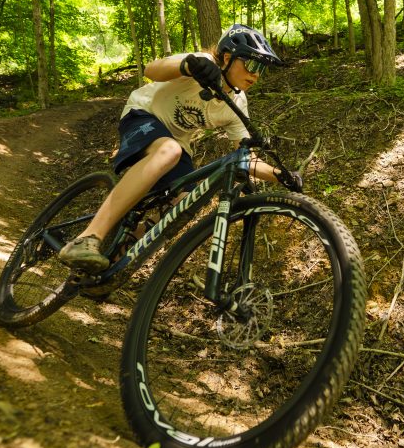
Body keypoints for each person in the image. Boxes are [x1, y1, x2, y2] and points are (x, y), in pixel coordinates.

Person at [59, 24, 297, 272]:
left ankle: (111, 263)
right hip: (143, 114)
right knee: (168, 151)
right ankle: (88, 237)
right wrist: (187, 66)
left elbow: (246, 158)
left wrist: (281, 176)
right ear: (228, 57)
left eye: (262, 70)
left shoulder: (236, 102)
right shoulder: (203, 62)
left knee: (186, 200)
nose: (256, 75)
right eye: (253, 65)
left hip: (176, 142)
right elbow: (152, 69)